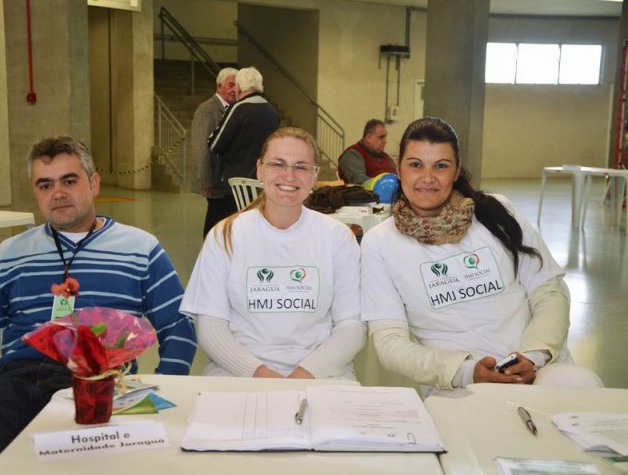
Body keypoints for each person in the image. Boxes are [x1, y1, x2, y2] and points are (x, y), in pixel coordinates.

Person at [0, 136, 197, 474]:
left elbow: (178, 326)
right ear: (35, 192)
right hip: (16, 383)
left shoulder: (141, 249)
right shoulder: (8, 255)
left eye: (69, 180)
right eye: (45, 184)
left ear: (93, 184)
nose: (58, 193)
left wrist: (165, 392)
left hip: (102, 383)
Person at [360, 117, 602, 397]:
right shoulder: (380, 243)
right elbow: (390, 343)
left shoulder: (497, 213)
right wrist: (465, 370)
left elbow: (549, 290)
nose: (427, 178)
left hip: (538, 371)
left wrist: (533, 356)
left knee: (584, 388)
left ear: (457, 169)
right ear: (399, 167)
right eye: (416, 165)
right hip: (457, 384)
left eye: (441, 165)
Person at [181, 127, 366, 379]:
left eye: (301, 167)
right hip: (237, 374)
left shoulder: (337, 237)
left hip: (322, 374)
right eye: (278, 164)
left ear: (315, 176)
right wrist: (260, 374)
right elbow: (211, 327)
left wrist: (305, 374)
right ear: (260, 169)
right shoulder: (225, 235)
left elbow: (351, 326)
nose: (289, 175)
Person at [207, 66, 280, 227]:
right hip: (263, 184)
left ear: (239, 87)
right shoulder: (272, 111)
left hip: (236, 186)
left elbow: (215, 144)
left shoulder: (238, 109)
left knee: (233, 227)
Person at [191, 67, 238, 237]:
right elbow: (200, 148)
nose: (234, 90)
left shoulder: (232, 109)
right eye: (230, 85)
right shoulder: (207, 110)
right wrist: (207, 179)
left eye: (237, 86)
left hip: (222, 180)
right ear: (219, 86)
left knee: (221, 220)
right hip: (213, 180)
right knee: (214, 220)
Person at [338, 119, 396, 184]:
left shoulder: (385, 156)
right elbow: (358, 179)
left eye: (385, 137)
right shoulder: (352, 154)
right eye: (381, 137)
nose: (385, 141)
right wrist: (383, 184)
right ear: (368, 137)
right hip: (366, 193)